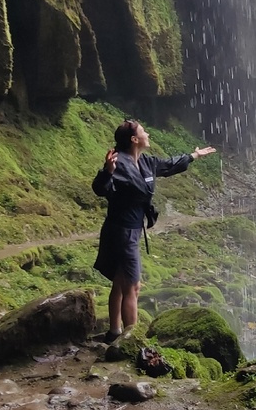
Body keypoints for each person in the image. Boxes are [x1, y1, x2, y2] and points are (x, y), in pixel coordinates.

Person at [92, 119, 216, 341]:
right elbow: (101, 190)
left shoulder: (146, 162)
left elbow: (168, 166)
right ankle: (133, 340)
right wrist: (107, 171)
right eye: (143, 131)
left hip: (131, 231)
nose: (147, 134)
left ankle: (114, 332)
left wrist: (194, 156)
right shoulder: (119, 163)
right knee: (133, 286)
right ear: (134, 139)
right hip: (121, 231)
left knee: (121, 282)